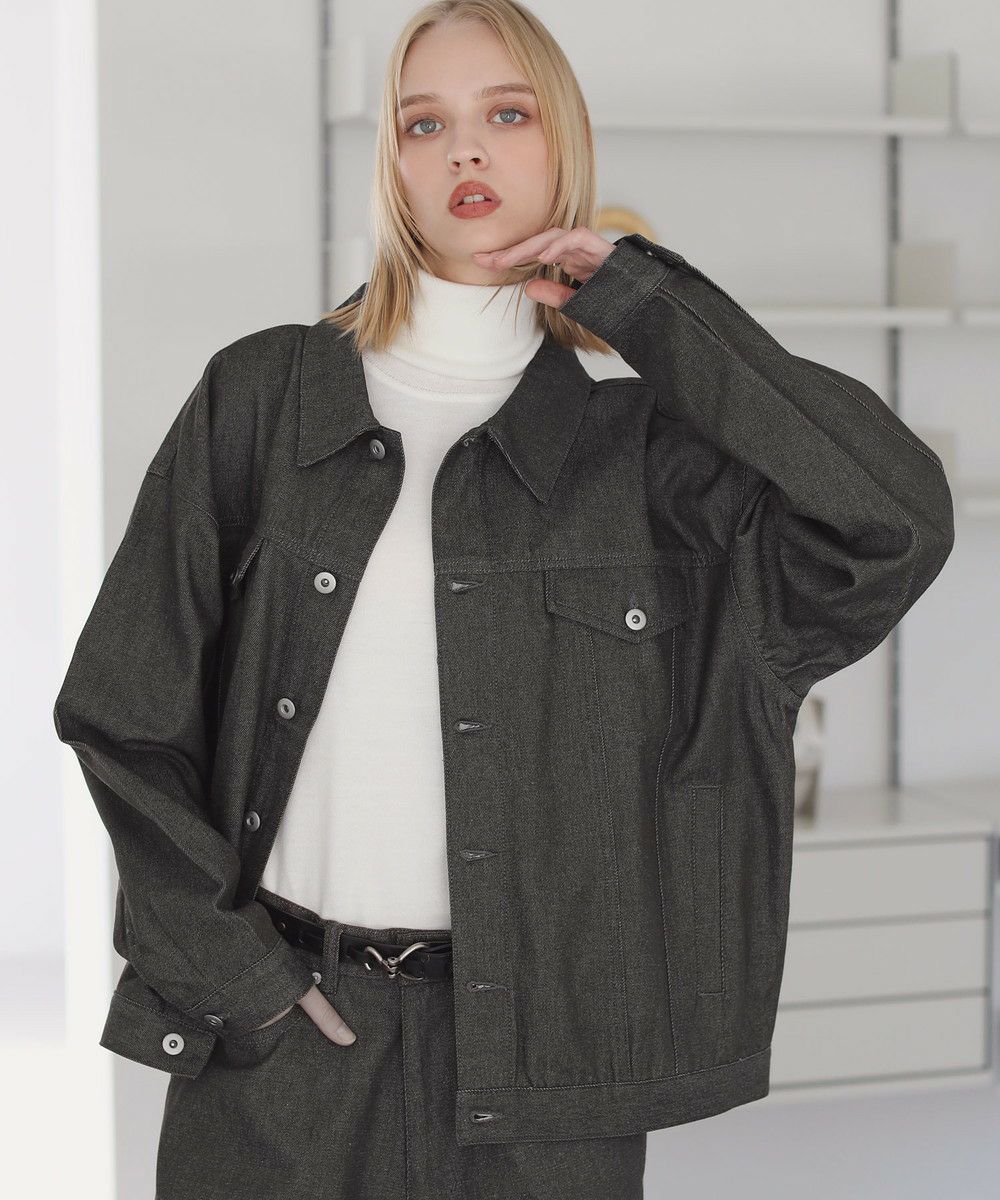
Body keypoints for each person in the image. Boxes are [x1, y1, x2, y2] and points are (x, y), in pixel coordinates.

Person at [53, 1, 955, 1198]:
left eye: (507, 114)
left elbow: (894, 521)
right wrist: (243, 984)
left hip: (547, 1075)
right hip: (282, 1054)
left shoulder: (651, 461)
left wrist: (640, 302)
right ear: (394, 167)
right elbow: (123, 712)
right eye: (424, 123)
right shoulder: (265, 399)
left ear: (562, 145)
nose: (465, 149)